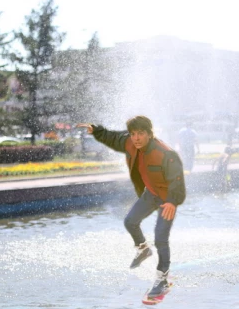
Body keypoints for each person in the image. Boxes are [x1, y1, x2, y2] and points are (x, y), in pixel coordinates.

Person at [76, 116, 186, 298]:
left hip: (167, 199)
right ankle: (143, 248)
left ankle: (162, 279)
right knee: (129, 221)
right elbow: (112, 137)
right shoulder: (130, 143)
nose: (136, 138)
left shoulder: (165, 153)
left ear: (150, 134)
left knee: (160, 238)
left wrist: (173, 201)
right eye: (133, 134)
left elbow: (177, 179)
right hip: (151, 194)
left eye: (140, 134)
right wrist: (95, 130)